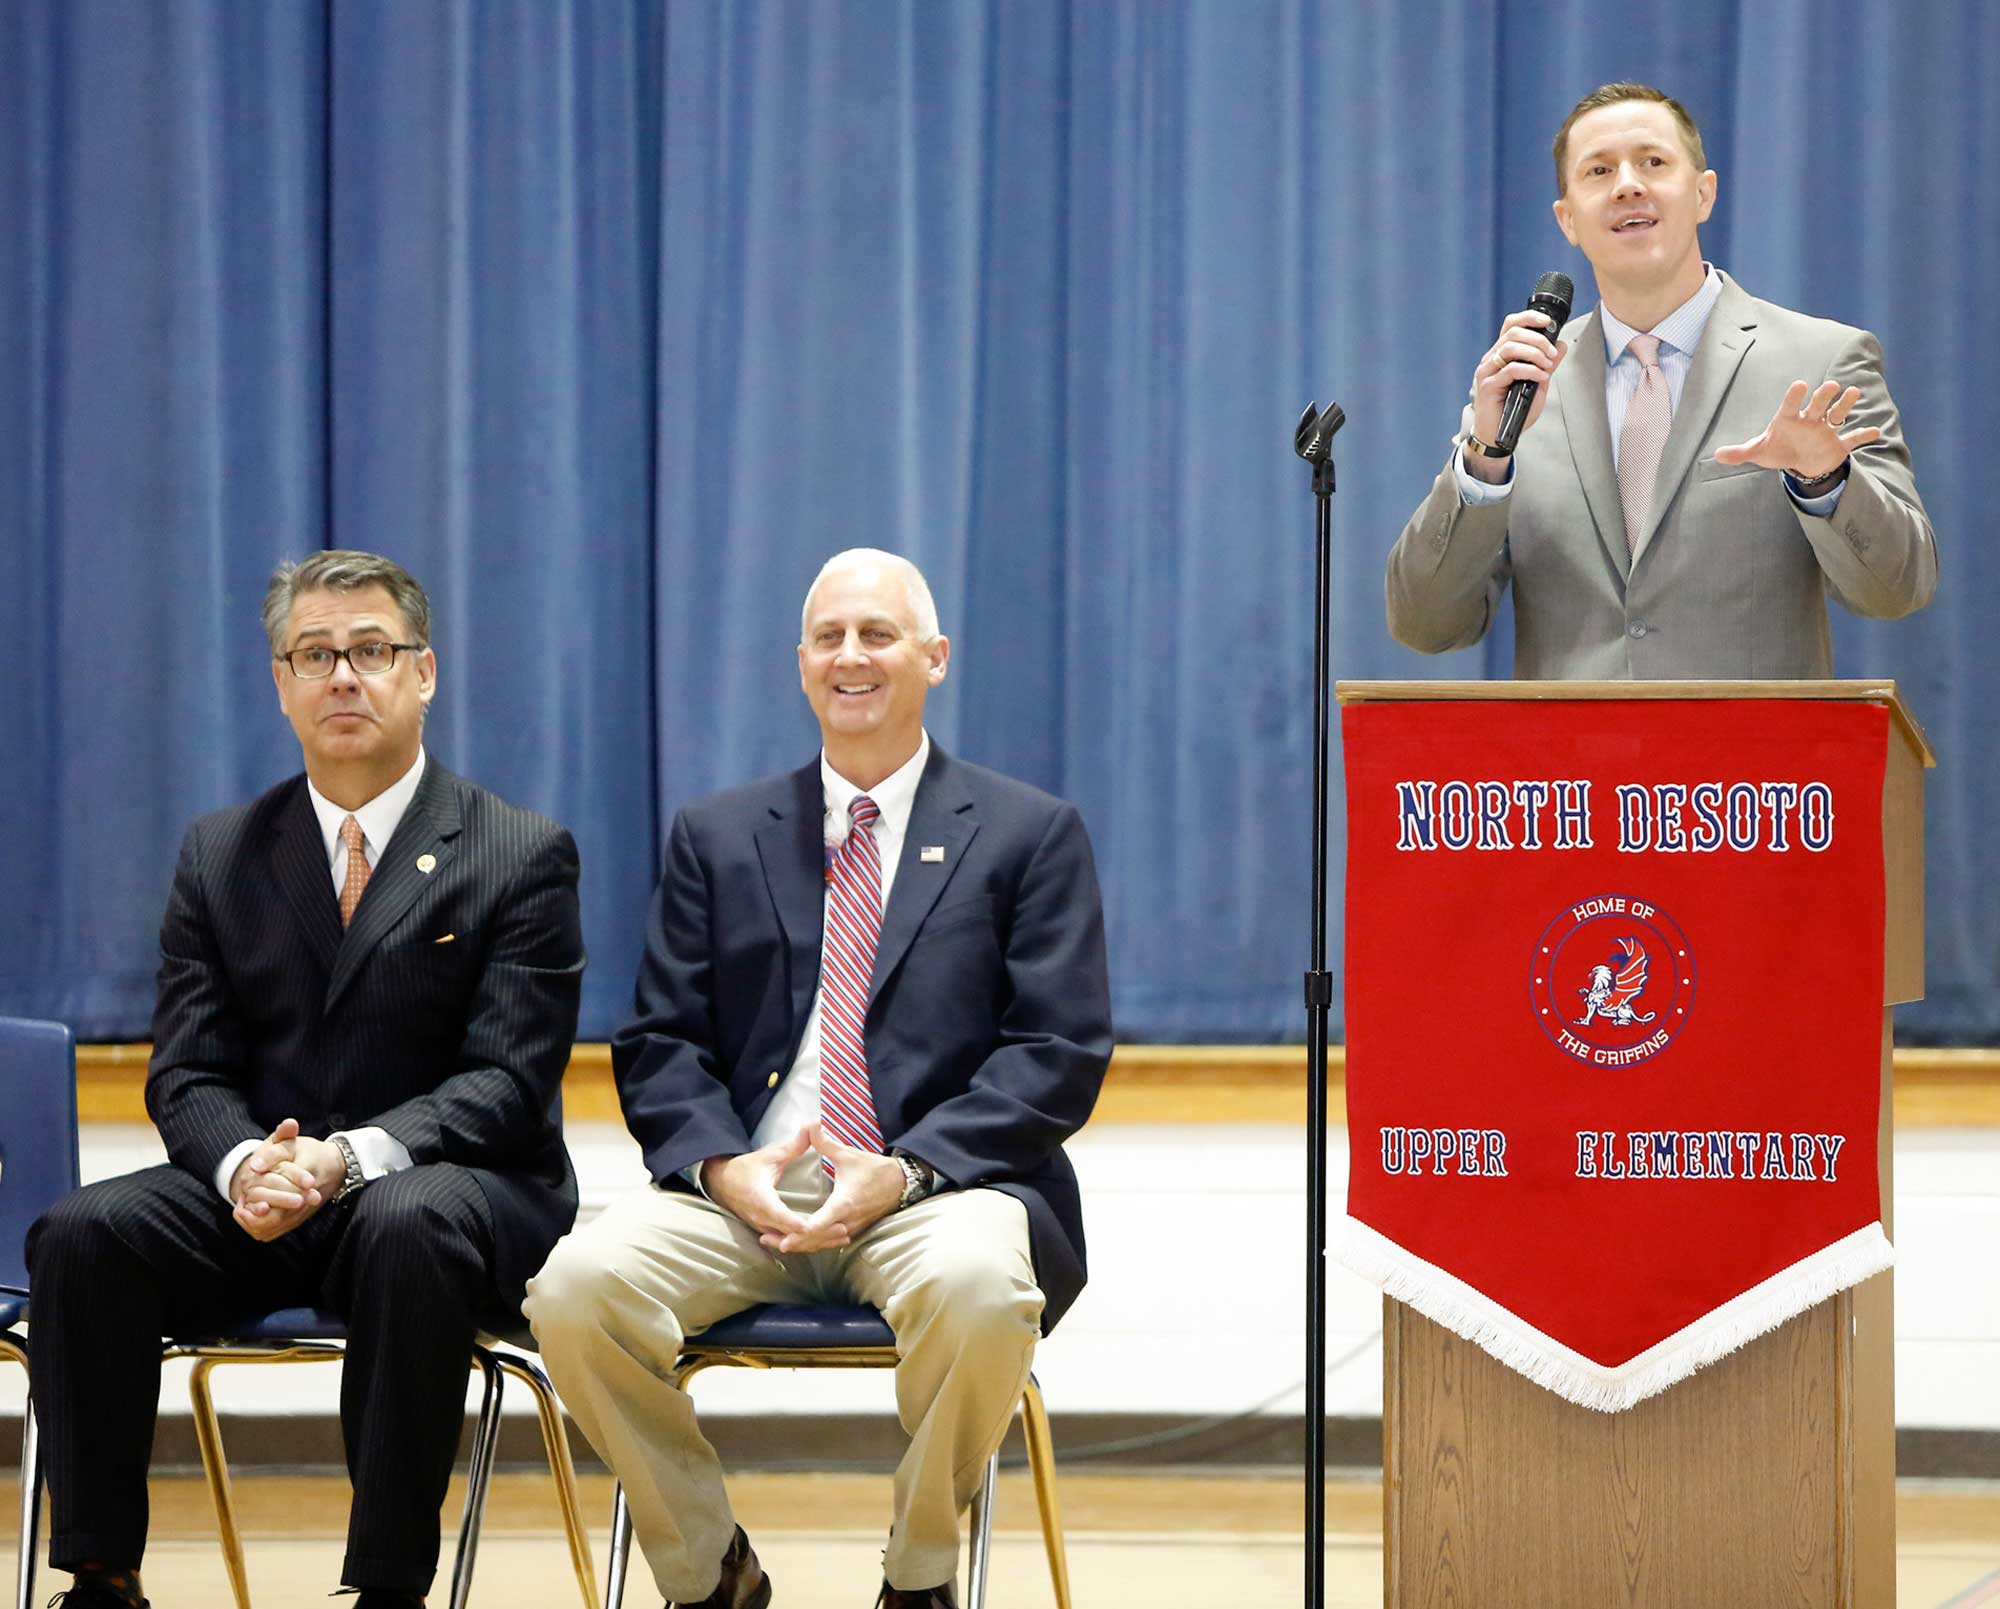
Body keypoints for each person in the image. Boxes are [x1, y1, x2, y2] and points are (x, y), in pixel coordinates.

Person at [527, 548, 1112, 1609]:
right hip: (747, 1194)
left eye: (878, 634)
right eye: (830, 637)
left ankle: (918, 1574)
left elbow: (1057, 1049)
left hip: (936, 1191)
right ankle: (709, 1570)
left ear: (935, 657)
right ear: (800, 663)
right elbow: (658, 1038)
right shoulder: (716, 835)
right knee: (571, 1292)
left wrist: (907, 1171)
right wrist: (723, 1168)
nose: (852, 656)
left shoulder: (1027, 833)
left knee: (983, 1289)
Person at [27, 551, 586, 1609]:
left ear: (423, 672)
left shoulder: (517, 851)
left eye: (371, 650)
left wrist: (344, 1160)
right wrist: (246, 1166)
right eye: (314, 655)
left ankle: (386, 1587)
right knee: (81, 1232)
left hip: (456, 1189)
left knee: (405, 1223)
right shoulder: (222, 852)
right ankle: (101, 1575)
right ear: (280, 683)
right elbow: (188, 1070)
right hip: (270, 1195)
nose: (343, 677)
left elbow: (506, 1081)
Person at [1386, 82, 1937, 678]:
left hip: (1751, 740)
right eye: (1598, 171)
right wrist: (1486, 459)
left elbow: (1897, 589)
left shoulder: (1819, 362)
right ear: (1568, 220)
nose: (1627, 185)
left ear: (1703, 194)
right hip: (1569, 742)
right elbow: (1426, 625)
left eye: (1653, 162)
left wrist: (1825, 480)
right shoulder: (1522, 387)